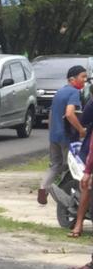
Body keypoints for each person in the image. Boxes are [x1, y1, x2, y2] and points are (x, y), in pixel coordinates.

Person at [39, 65, 86, 208]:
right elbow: (70, 113)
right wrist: (81, 130)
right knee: (72, 168)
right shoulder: (74, 93)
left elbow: (51, 114)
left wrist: (52, 133)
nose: (85, 80)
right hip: (67, 136)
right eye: (82, 77)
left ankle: (43, 188)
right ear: (72, 79)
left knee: (55, 165)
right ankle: (67, 195)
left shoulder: (59, 92)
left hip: (54, 136)